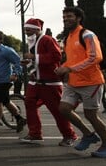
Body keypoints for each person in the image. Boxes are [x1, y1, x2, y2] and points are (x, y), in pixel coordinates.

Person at [56, 6, 106, 158]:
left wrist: (69, 69)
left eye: (69, 16)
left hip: (91, 82)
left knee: (91, 115)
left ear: (78, 18)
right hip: (73, 82)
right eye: (64, 17)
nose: (66, 19)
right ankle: (88, 135)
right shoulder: (68, 38)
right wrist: (62, 68)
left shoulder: (87, 35)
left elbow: (94, 57)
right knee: (63, 109)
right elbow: (70, 60)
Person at [19, 18, 78, 146]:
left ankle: (69, 135)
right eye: (25, 29)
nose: (26, 32)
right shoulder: (32, 42)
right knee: (29, 104)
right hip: (36, 82)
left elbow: (57, 56)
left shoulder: (47, 40)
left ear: (36, 29)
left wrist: (34, 57)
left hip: (50, 82)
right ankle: (35, 134)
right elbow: (37, 61)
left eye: (28, 29)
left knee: (57, 111)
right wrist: (28, 62)